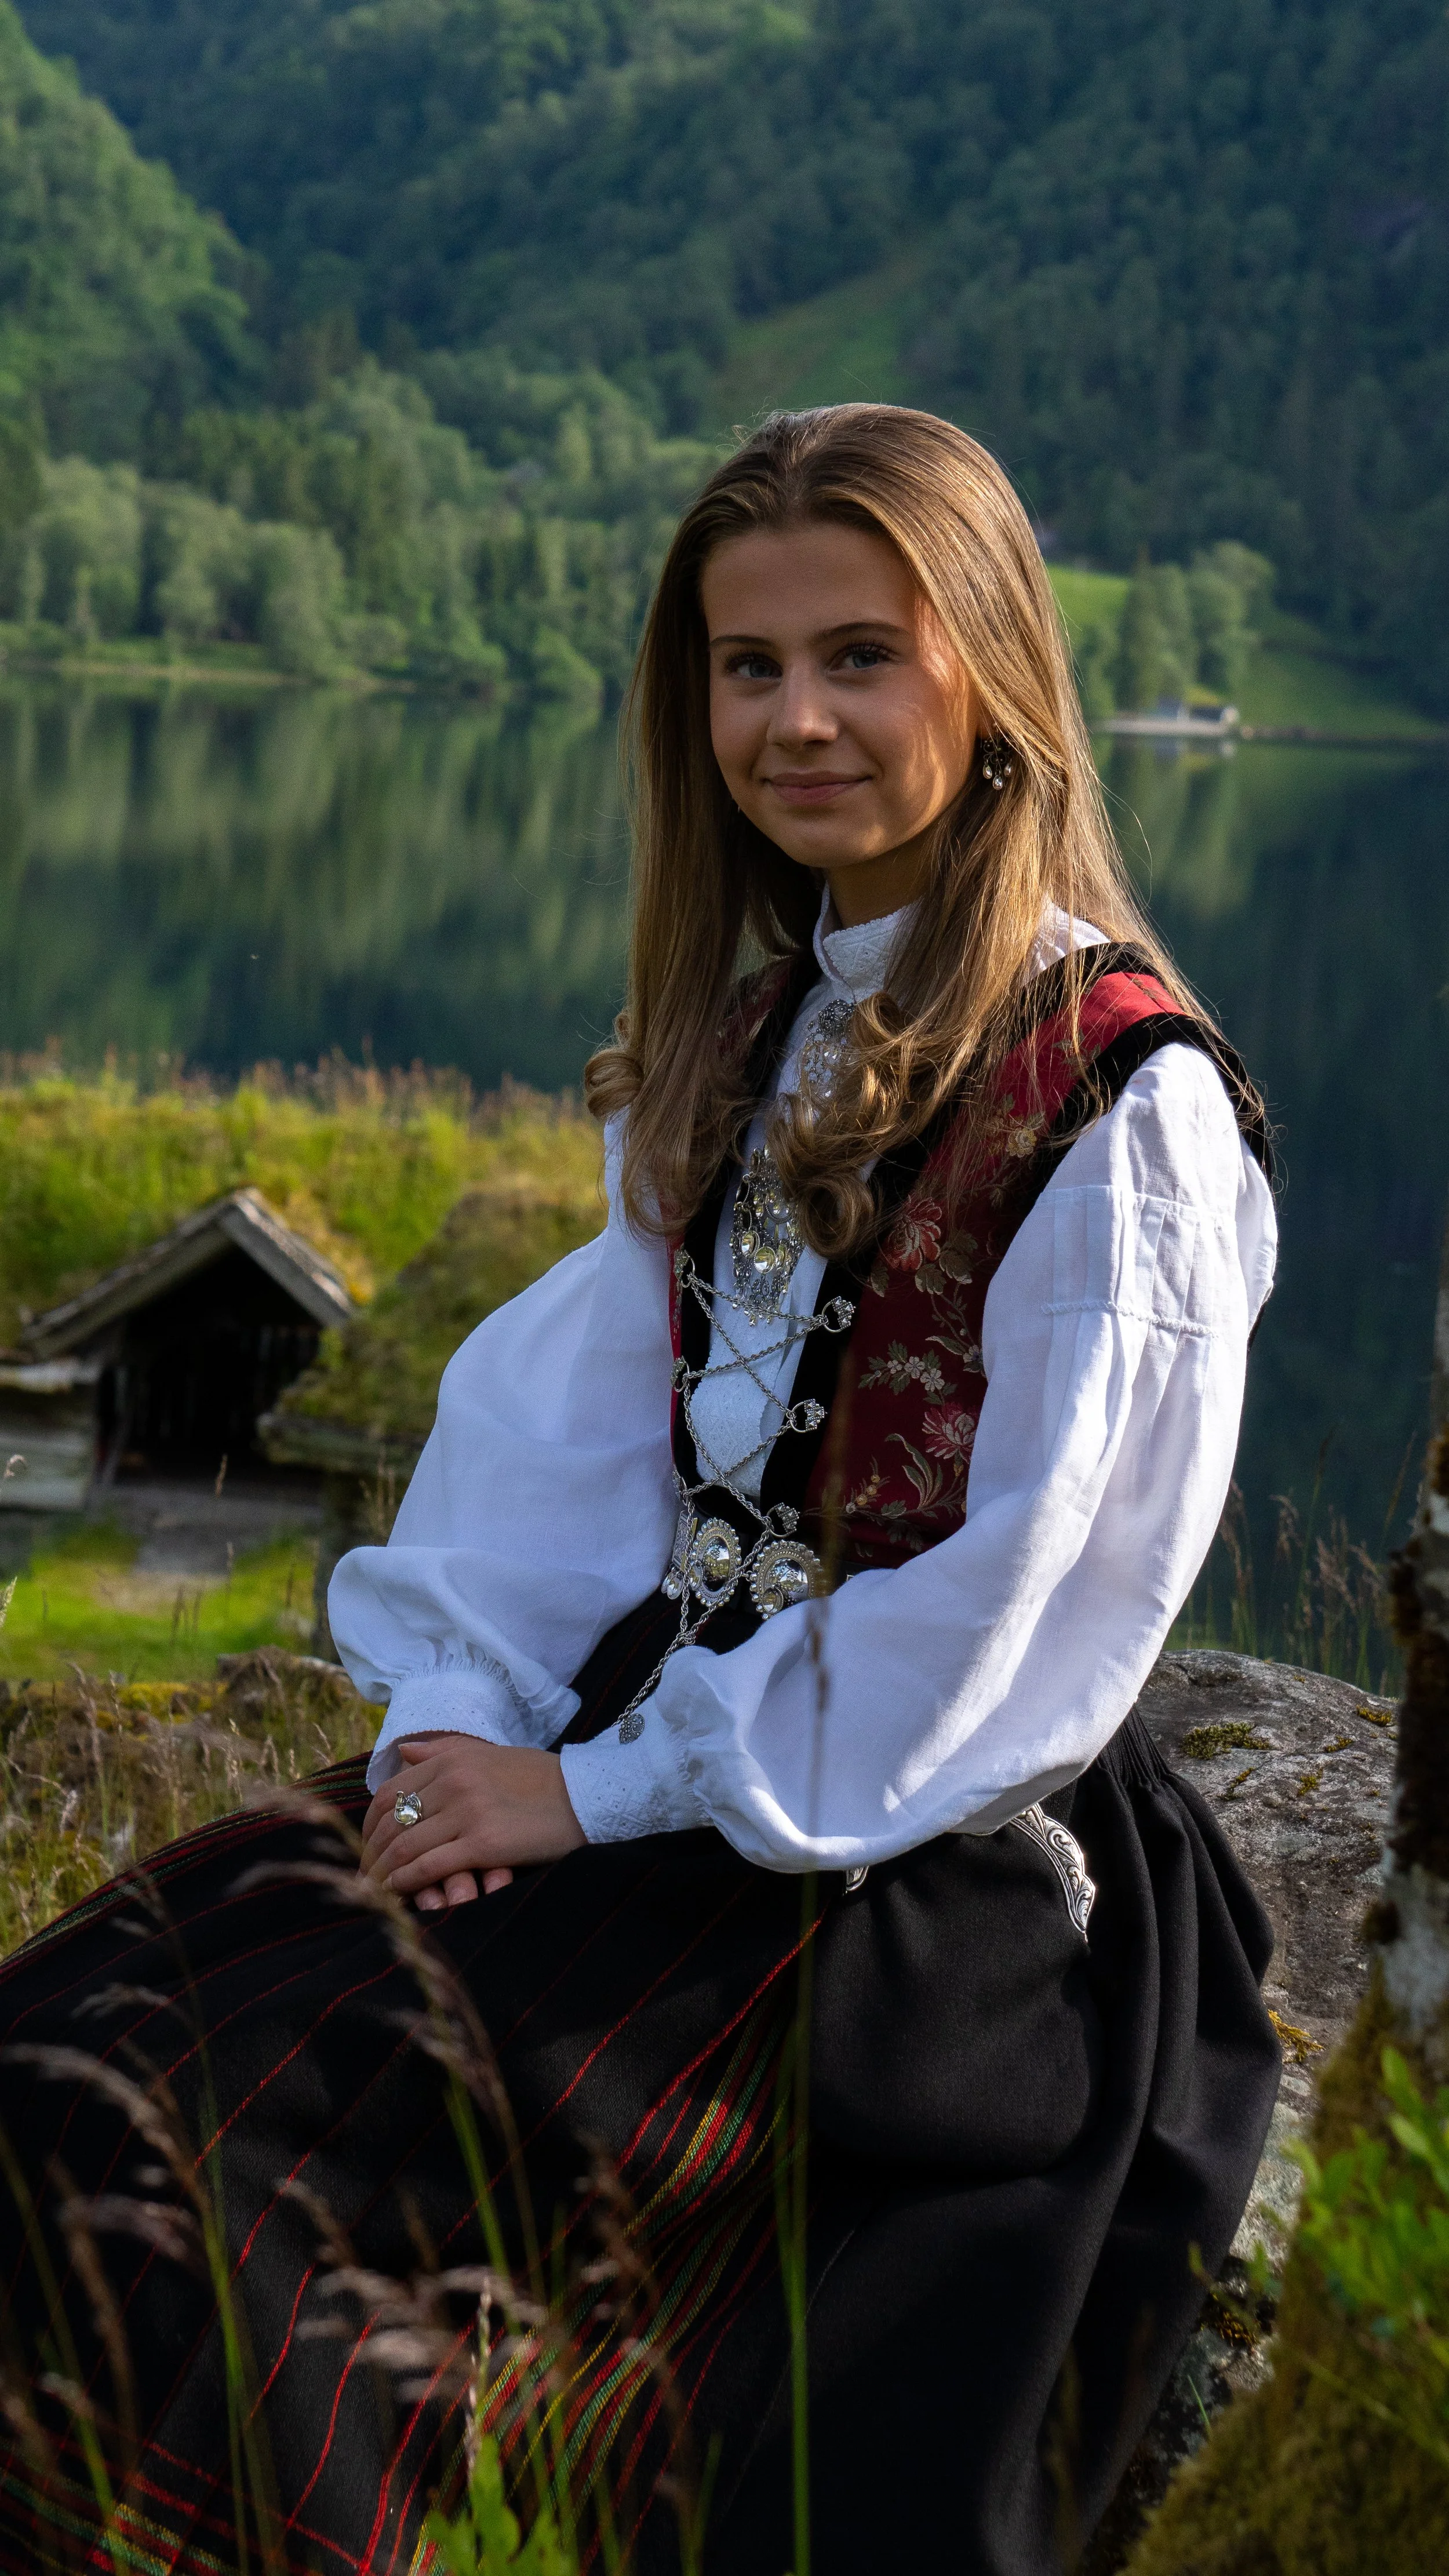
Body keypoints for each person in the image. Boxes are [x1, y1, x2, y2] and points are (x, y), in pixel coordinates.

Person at [0, 405, 1280, 2576]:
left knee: (249, 2185)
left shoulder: (1119, 1104)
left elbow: (1024, 1625)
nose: (793, 720)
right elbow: (570, 1447)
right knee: (76, 2044)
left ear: (990, 675)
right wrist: (449, 1728)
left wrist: (585, 1798)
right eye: (744, 664)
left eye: (858, 656)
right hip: (653, 1749)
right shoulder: (758, 1029)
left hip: (907, 1851)